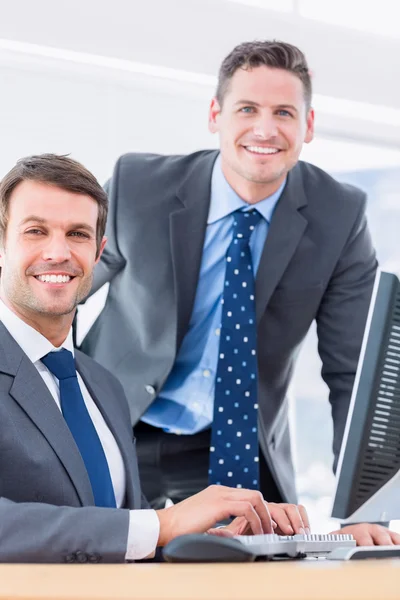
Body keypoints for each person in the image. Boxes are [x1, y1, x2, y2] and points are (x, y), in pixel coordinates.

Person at [79, 40, 378, 509]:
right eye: (247, 109)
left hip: (230, 451)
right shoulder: (138, 186)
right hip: (114, 430)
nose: (266, 128)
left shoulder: (339, 215)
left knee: (244, 577)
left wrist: (362, 508)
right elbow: (56, 293)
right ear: (216, 115)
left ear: (308, 125)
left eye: (284, 112)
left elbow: (353, 374)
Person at [0, 153, 320, 563]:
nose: (58, 252)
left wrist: (227, 534)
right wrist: (164, 525)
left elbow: (119, 536)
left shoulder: (104, 387)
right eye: (36, 231)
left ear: (99, 253)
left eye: (77, 234)